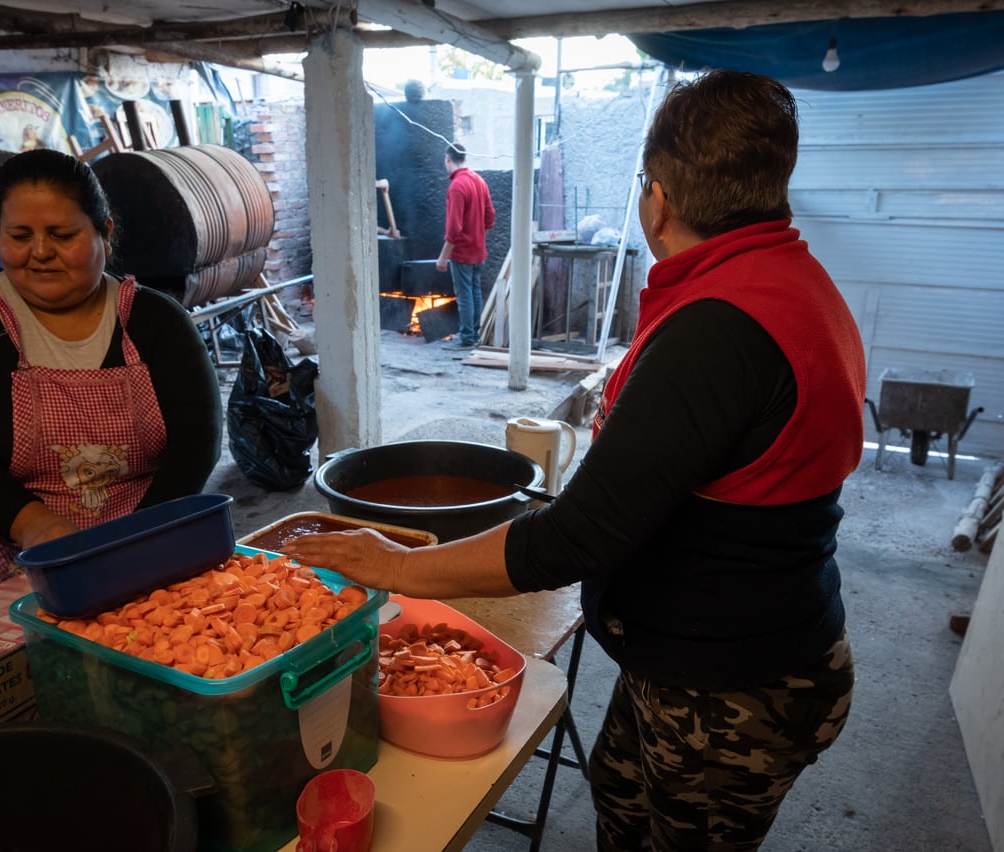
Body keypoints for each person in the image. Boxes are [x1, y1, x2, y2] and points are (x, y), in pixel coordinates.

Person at [286, 70, 866, 851]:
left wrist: (391, 563)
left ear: (657, 198)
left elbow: (570, 543)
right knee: (621, 808)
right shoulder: (790, 282)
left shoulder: (721, 331)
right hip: (702, 650)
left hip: (730, 685)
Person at [0, 148, 222, 598]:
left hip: (147, 548)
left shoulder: (155, 320)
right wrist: (35, 524)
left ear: (104, 233)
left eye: (62, 234)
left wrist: (139, 537)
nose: (39, 253)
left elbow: (198, 436)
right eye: (19, 235)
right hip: (15, 559)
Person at [435, 143, 494, 351]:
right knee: (475, 291)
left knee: (465, 295)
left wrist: (443, 257)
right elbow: (490, 217)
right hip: (479, 251)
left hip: (462, 253)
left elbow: (453, 228)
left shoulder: (457, 186)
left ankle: (467, 337)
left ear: (448, 159)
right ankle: (475, 334)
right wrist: (478, 237)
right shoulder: (479, 180)